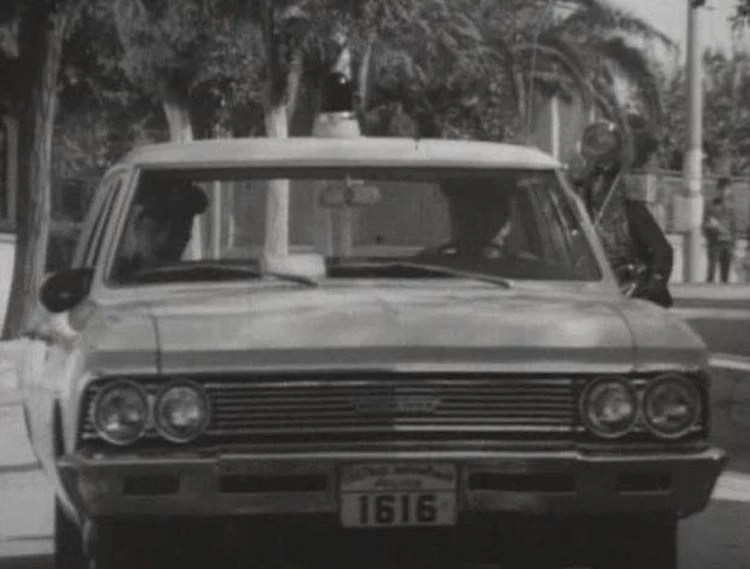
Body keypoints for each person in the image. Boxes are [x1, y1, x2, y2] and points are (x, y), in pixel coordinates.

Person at [573, 120, 674, 308]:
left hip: (628, 293)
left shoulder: (628, 201)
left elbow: (662, 251)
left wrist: (652, 284)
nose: (596, 184)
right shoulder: (575, 197)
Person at [112, 178, 209, 281]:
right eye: (156, 229)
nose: (164, 239)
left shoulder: (193, 280)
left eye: (179, 232)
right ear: (137, 227)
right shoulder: (116, 277)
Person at [415, 178, 514, 267]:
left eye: (483, 220)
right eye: (463, 217)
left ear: (506, 225)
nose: (471, 229)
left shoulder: (517, 270)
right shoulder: (429, 266)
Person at [703, 176, 737, 283]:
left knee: (725, 276)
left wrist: (733, 244)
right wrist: (711, 228)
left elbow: (733, 226)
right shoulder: (710, 205)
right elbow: (705, 223)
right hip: (715, 243)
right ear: (717, 189)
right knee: (711, 273)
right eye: (722, 189)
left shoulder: (731, 206)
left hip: (728, 243)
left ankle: (723, 292)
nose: (724, 192)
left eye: (727, 189)